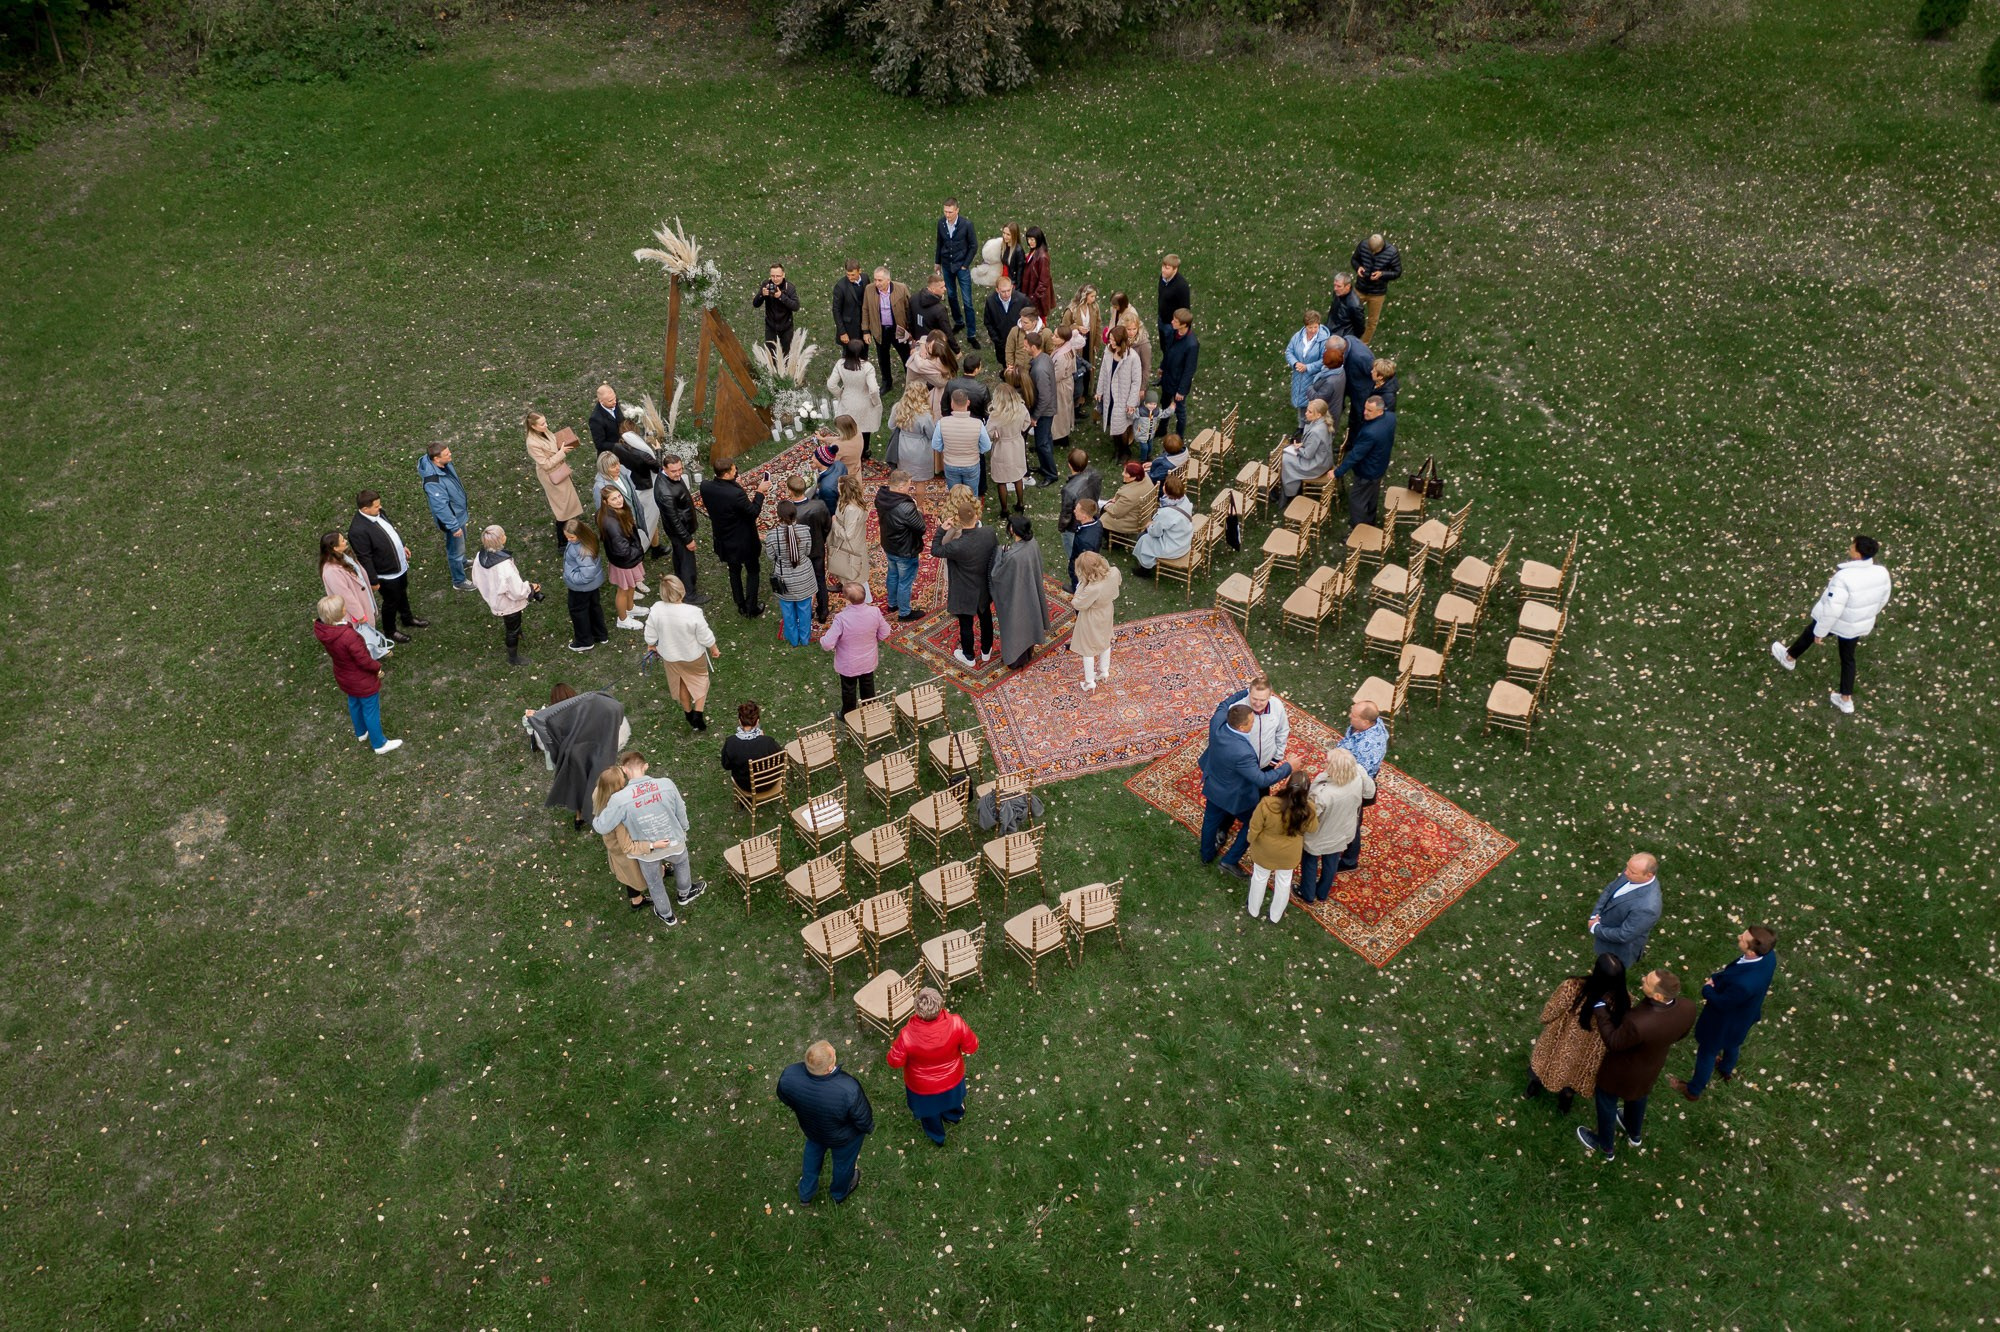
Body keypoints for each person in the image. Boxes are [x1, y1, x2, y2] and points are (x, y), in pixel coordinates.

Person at [1578, 969, 1695, 1160]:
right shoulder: (1687, 1007)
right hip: (1651, 1066)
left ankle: (1605, 1146)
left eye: (1647, 981)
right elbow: (1682, 1035)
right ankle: (1634, 1133)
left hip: (1621, 1071)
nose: (1642, 979)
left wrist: (1600, 1009)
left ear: (1658, 995)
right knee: (1638, 1096)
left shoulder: (1638, 1022)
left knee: (1607, 1102)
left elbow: (1614, 1041)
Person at [1770, 534, 1891, 714]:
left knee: (1810, 633)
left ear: (1858, 555)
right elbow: (1883, 599)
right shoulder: (1882, 573)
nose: (1850, 547)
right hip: (1856, 625)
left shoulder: (1844, 578)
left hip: (1838, 622)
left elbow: (1832, 609)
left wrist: (1821, 631)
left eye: (1852, 546)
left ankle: (1789, 658)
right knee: (1848, 658)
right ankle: (1846, 700)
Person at [589, 751, 707, 928]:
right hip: (673, 841)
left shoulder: (619, 799)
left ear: (624, 769)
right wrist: (683, 829)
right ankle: (685, 894)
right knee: (681, 863)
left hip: (647, 853)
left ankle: (666, 914)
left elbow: (602, 826)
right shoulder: (666, 784)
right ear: (645, 766)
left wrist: (597, 818)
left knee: (654, 882)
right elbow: (680, 809)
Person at [1669, 927, 1779, 1101]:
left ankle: (1693, 1090)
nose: (1739, 936)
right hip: (1744, 1017)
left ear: (1751, 951)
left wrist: (1707, 989)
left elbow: (1721, 1003)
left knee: (1707, 1052)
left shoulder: (1744, 984)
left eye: (1742, 938)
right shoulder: (1768, 957)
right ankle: (1726, 1069)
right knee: (1733, 1043)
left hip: (1723, 1022)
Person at [1525, 952, 1630, 1116]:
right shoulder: (1623, 1002)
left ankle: (1534, 1087)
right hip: (1590, 1053)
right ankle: (1564, 1103)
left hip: (1560, 1042)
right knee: (1574, 1077)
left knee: (1545, 1063)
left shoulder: (1573, 988)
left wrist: (1545, 1019)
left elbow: (1551, 1011)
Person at [1198, 701, 1292, 875]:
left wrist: (1246, 693)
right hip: (1234, 796)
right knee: (1255, 822)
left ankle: (1206, 855)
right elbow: (1262, 780)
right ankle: (1230, 860)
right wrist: (1289, 767)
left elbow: (1223, 704)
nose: (1254, 723)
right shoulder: (1243, 752)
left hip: (1213, 787)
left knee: (1209, 822)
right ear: (1242, 727)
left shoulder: (1217, 723)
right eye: (1251, 721)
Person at [777, 1040, 874, 1204]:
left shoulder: (789, 1076)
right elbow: (863, 1119)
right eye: (834, 1054)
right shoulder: (848, 1088)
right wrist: (867, 1128)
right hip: (843, 1138)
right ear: (829, 1068)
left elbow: (784, 1097)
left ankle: (805, 1193)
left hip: (813, 1130)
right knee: (843, 1165)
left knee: (812, 1155)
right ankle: (839, 1193)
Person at [523, 683, 627, 830]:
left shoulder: (556, 719)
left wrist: (536, 717)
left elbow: (549, 741)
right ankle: (598, 811)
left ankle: (579, 816)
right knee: (596, 784)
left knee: (578, 787)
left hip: (573, 758)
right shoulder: (587, 708)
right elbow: (614, 709)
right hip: (594, 752)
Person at [885, 987, 979, 1146]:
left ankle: (937, 1136)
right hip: (952, 1078)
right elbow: (972, 1046)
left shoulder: (907, 1035)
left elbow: (894, 1062)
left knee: (929, 1114)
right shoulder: (956, 1023)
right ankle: (954, 1116)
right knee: (954, 1100)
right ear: (940, 1006)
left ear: (917, 1009)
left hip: (922, 1087)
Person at [314, 594, 400, 754]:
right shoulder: (348, 636)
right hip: (361, 678)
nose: (345, 608)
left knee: (354, 702)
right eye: (343, 607)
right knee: (370, 709)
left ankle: (361, 732)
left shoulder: (325, 632)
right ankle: (379, 744)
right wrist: (377, 667)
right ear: (338, 613)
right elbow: (363, 660)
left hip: (344, 675)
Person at [1298, 746, 1373, 905]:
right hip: (1344, 829)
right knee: (1331, 861)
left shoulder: (1323, 794)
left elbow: (1310, 816)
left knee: (1310, 861)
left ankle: (1308, 894)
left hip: (1321, 833)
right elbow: (1369, 793)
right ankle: (1323, 892)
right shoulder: (1358, 775)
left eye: (1328, 762)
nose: (1324, 762)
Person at [644, 574, 720, 730]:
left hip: (670, 656)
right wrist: (713, 648)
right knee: (700, 681)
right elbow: (704, 635)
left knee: (681, 683)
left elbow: (650, 632)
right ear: (682, 591)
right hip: (693, 655)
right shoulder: (692, 612)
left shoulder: (656, 609)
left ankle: (687, 712)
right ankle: (698, 714)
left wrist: (651, 645)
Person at [932, 490, 998, 669]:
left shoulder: (956, 546)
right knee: (985, 618)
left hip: (964, 590)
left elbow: (935, 550)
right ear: (976, 516)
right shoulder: (989, 533)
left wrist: (941, 529)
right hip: (983, 586)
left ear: (958, 521)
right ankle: (986, 651)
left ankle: (969, 655)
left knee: (966, 624)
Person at [348, 489, 424, 641]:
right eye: (376, 506)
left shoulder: (378, 513)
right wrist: (373, 580)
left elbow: (390, 531)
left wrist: (401, 546)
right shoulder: (357, 530)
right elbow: (365, 558)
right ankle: (390, 630)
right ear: (365, 509)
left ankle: (407, 618)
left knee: (402, 592)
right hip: (386, 574)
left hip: (399, 566)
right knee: (391, 601)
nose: (380, 508)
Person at [699, 460, 769, 619]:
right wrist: (760, 492)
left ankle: (741, 604)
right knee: (753, 571)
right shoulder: (735, 494)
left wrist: (734, 484)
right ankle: (751, 608)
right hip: (744, 541)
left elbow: (723, 494)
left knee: (734, 570)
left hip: (724, 538)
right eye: (733, 470)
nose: (736, 470)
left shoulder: (705, 486)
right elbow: (752, 512)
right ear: (726, 474)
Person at [1246, 773, 1318, 923]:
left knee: (1259, 878)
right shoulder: (1309, 809)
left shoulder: (1268, 804)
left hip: (1265, 850)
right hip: (1289, 853)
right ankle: (1275, 916)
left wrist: (1250, 840)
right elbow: (1312, 828)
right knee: (1284, 883)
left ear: (1287, 784)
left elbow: (1255, 827)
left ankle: (1253, 910)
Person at [468, 524, 541, 667]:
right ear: (501, 539)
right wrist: (532, 587)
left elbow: (476, 578)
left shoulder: (480, 556)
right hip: (508, 605)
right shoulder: (504, 566)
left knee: (512, 624)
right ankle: (513, 658)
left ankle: (518, 632)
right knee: (511, 629)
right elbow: (518, 591)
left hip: (494, 598)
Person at [820, 580, 893, 715]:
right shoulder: (874, 612)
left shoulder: (841, 618)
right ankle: (870, 710)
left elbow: (827, 643)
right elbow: (885, 632)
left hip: (849, 663)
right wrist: (873, 639)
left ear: (847, 599)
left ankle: (848, 714)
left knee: (848, 689)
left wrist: (824, 640)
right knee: (868, 685)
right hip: (868, 659)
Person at [990, 513, 1050, 670]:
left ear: (1012, 529)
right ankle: (1028, 651)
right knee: (1028, 620)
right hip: (1029, 590)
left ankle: (1015, 660)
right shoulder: (1032, 543)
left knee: (1016, 623)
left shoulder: (1013, 557)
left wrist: (998, 553)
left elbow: (998, 576)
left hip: (1017, 596)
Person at [1335, 700, 1388, 871]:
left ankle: (1349, 860)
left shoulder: (1369, 747)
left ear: (1366, 722)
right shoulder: (1372, 723)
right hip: (1351, 774)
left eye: (1354, 715)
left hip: (1353, 785)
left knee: (1351, 821)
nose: (1350, 715)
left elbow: (1356, 777)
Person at [591, 764, 652, 911]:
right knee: (631, 874)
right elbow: (627, 846)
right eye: (621, 780)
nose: (624, 781)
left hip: (613, 845)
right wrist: (649, 846)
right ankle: (636, 900)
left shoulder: (598, 793)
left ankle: (660, 871)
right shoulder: (618, 817)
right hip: (623, 849)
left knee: (627, 871)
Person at [1587, 853, 1663, 970]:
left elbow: (1624, 935)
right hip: (1605, 928)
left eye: (1632, 872)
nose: (1626, 872)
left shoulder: (1648, 907)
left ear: (1648, 875)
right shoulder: (1632, 872)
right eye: (1627, 867)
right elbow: (1609, 890)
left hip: (1618, 950)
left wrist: (1595, 928)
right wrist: (1595, 915)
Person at [414, 442, 474, 591]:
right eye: (447, 454)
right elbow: (440, 507)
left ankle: (463, 562)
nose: (450, 454)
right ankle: (459, 581)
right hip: (453, 520)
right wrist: (454, 526)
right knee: (455, 550)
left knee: (461, 543)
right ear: (436, 459)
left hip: (458, 515)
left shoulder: (442, 465)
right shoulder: (433, 482)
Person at [1332, 395, 1396, 530]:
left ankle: (1358, 531)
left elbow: (1355, 455)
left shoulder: (1370, 433)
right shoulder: (1390, 418)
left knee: (1357, 502)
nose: (1365, 412)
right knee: (1372, 496)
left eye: (1369, 411)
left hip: (1367, 472)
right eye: (1365, 408)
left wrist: (1337, 472)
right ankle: (1370, 521)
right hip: (1379, 466)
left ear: (1380, 411)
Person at [524, 410, 582, 555]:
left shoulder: (544, 432)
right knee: (562, 508)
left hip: (559, 470)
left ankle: (572, 530)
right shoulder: (532, 443)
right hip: (551, 475)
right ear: (533, 426)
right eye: (542, 424)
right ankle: (562, 543)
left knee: (568, 502)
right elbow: (546, 464)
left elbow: (553, 444)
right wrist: (561, 452)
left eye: (545, 422)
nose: (546, 425)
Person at [654, 454, 708, 606]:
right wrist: (688, 539)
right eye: (674, 471)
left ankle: (679, 577)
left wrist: (658, 451)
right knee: (687, 561)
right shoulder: (665, 493)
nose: (678, 474)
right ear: (665, 469)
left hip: (678, 529)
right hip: (680, 531)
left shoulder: (667, 476)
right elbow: (674, 520)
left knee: (679, 555)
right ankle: (689, 594)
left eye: (680, 469)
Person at [875, 469, 927, 622]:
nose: (909, 489)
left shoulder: (881, 496)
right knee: (905, 581)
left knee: (892, 574)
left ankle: (892, 603)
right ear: (900, 487)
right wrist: (918, 510)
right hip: (905, 549)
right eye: (908, 486)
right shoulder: (905, 507)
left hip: (889, 544)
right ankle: (904, 613)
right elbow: (921, 527)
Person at [765, 498, 819, 648]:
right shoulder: (805, 530)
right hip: (804, 576)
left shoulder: (771, 535)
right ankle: (805, 638)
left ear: (778, 516)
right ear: (796, 514)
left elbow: (770, 556)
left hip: (784, 578)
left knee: (787, 611)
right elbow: (808, 551)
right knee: (805, 609)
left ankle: (793, 639)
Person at [596, 484, 646, 629]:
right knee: (623, 590)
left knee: (630, 586)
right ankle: (623, 619)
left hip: (628, 558)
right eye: (614, 499)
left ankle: (630, 608)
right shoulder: (612, 523)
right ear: (606, 502)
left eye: (619, 496)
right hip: (624, 561)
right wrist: (638, 551)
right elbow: (622, 549)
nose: (619, 500)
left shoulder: (614, 512)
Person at [931, 388, 994, 497]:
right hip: (971, 464)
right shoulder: (978, 424)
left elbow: (936, 445)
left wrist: (946, 448)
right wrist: (975, 450)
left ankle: (956, 512)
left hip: (951, 464)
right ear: (968, 403)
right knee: (972, 495)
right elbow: (986, 446)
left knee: (954, 496)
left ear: (952, 404)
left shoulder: (942, 423)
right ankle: (971, 513)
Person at [825, 340, 883, 459]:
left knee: (848, 430)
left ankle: (848, 452)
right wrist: (876, 402)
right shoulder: (867, 367)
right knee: (864, 429)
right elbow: (873, 389)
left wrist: (840, 394)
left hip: (848, 401)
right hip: (864, 403)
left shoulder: (841, 364)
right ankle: (863, 452)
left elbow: (831, 384)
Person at [1131, 472, 1194, 577]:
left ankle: (1145, 569)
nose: (1163, 486)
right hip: (1184, 541)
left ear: (1166, 490)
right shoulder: (1184, 500)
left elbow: (1155, 532)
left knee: (1144, 539)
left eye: (1164, 485)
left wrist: (1149, 525)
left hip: (1173, 547)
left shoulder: (1166, 513)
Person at [319, 531, 379, 641]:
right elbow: (345, 596)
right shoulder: (332, 572)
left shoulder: (344, 557)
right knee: (362, 638)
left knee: (368, 634)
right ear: (335, 548)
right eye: (342, 540)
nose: (345, 541)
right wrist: (360, 615)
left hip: (363, 602)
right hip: (356, 613)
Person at [561, 519, 610, 652]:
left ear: (579, 534)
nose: (568, 539)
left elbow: (586, 574)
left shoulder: (583, 550)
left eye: (571, 537)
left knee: (578, 611)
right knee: (594, 608)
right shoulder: (587, 540)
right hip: (592, 586)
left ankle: (584, 641)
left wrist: (570, 576)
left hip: (580, 587)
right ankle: (600, 634)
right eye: (566, 537)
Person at [934, 198, 978, 343]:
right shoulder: (941, 223)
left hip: (961, 266)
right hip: (947, 265)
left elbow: (973, 245)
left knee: (967, 301)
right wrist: (937, 262)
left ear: (957, 210)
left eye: (950, 212)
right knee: (951, 295)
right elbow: (939, 243)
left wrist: (965, 264)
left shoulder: (966, 225)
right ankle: (959, 321)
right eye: (945, 212)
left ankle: (971, 333)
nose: (947, 215)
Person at [987, 373, 1032, 514]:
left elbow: (988, 432)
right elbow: (1027, 423)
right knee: (1017, 476)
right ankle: (1020, 503)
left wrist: (995, 435)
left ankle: (1004, 509)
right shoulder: (1021, 409)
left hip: (1002, 447)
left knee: (1001, 480)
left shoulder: (995, 415)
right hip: (1017, 444)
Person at [862, 265, 913, 389]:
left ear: (888, 280)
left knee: (906, 356)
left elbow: (909, 309)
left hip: (899, 329)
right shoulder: (869, 289)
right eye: (875, 280)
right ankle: (887, 382)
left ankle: (910, 381)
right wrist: (866, 330)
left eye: (880, 280)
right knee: (883, 358)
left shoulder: (901, 288)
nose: (876, 283)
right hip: (880, 330)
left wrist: (911, 330)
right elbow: (865, 309)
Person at [1096, 327, 1143, 458]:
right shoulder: (1108, 352)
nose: (1110, 342)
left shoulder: (1132, 357)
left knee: (1121, 426)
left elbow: (1136, 382)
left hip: (1123, 398)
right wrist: (1099, 391)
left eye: (1113, 340)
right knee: (1112, 421)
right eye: (1110, 339)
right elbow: (1103, 373)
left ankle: (1125, 450)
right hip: (1109, 395)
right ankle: (1117, 450)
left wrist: (1131, 403)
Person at [720, 700, 785, 793]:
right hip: (770, 782)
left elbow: (726, 765)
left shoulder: (731, 743)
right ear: (757, 721)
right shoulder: (768, 742)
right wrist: (763, 739)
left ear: (740, 721)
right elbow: (780, 759)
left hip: (746, 786)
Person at [1055, 447, 1102, 575]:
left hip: (1074, 527)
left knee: (1076, 558)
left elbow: (1066, 514)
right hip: (1092, 515)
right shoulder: (1095, 474)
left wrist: (1062, 528)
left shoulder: (1069, 490)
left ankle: (1079, 580)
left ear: (1070, 465)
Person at [1351, 232, 1403, 343]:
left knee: (1372, 321)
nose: (1372, 253)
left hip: (1377, 293)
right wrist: (1358, 267)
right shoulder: (1363, 245)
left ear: (1382, 246)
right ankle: (1349, 338)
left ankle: (1363, 344)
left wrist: (1382, 274)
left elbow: (1397, 272)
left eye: (1375, 251)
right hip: (1360, 288)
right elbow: (1354, 259)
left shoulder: (1392, 253)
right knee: (1350, 313)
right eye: (1370, 251)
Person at [826, 471, 870, 598]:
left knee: (852, 570)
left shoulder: (852, 509)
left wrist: (835, 523)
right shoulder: (845, 500)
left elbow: (848, 535)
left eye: (839, 487)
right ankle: (842, 584)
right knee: (843, 567)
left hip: (849, 546)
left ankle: (856, 595)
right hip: (842, 542)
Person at [1281, 398, 1335, 501]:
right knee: (1287, 456)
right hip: (1324, 460)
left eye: (1309, 412)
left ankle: (1290, 493)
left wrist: (1297, 448)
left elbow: (1307, 455)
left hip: (1317, 465)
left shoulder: (1316, 431)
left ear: (1318, 415)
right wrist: (1303, 444)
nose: (1306, 413)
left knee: (1285, 459)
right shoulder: (1322, 422)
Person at [1285, 312, 1331, 429]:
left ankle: (1308, 429)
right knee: (1301, 405)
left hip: (1313, 379)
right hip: (1298, 377)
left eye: (1316, 327)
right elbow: (1289, 351)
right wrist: (1295, 363)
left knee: (1311, 405)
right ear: (1305, 326)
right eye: (1310, 327)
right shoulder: (1298, 336)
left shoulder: (1324, 340)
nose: (1313, 330)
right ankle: (1301, 427)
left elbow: (1324, 360)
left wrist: (1307, 367)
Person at [1157, 308, 1198, 438]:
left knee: (1180, 412)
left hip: (1178, 383)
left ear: (1184, 324)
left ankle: (1179, 438)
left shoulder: (1192, 344)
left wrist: (1181, 390)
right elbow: (1168, 353)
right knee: (1164, 404)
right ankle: (1162, 428)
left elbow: (1189, 369)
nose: (1172, 322)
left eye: (1175, 321)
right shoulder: (1173, 333)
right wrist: (1162, 367)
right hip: (1168, 378)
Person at [1027, 332, 1060, 486]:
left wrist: (1035, 417)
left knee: (1042, 443)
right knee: (1046, 439)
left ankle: (1051, 474)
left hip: (1044, 411)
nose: (1024, 348)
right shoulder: (1045, 357)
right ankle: (1045, 467)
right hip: (1049, 407)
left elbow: (1044, 397)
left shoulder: (1039, 369)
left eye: (1026, 346)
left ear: (1033, 347)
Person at [902, 334, 949, 438]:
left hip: (919, 391)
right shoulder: (921, 363)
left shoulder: (923, 348)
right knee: (919, 420)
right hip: (916, 394)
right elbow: (941, 382)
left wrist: (922, 345)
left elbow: (924, 337)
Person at [1099, 461, 1156, 544]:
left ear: (1134, 477)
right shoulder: (1145, 477)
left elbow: (1116, 512)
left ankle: (1114, 542)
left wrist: (1107, 505)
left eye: (1126, 472)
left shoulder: (1128, 496)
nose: (1122, 474)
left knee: (1103, 519)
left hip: (1133, 521)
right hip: (1145, 513)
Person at [753, 262, 800, 352]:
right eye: (772, 276)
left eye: (778, 276)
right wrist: (761, 295)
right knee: (771, 354)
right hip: (771, 327)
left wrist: (781, 296)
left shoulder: (789, 288)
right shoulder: (766, 285)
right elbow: (755, 304)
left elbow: (796, 306)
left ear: (783, 275)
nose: (775, 279)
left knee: (786, 354)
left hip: (786, 327)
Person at [1304, 341, 1349, 434]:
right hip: (1335, 406)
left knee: (1322, 436)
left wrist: (1309, 387)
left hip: (1327, 413)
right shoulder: (1340, 370)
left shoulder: (1330, 382)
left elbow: (1317, 398)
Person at [911, 268, 958, 351]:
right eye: (942, 287)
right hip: (933, 345)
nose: (945, 289)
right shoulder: (939, 310)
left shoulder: (914, 298)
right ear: (932, 289)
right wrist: (956, 350)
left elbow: (909, 320)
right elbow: (947, 331)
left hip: (918, 342)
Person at [1067, 497, 1105, 592]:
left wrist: (1074, 568)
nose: (1074, 511)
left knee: (1079, 579)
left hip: (1080, 565)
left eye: (1077, 510)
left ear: (1084, 516)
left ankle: (1077, 591)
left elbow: (1083, 562)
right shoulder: (1097, 523)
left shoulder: (1084, 541)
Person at [982, 273, 1024, 358]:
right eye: (1003, 291)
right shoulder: (991, 302)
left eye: (1009, 290)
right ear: (997, 290)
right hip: (1001, 343)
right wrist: (996, 339)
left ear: (1012, 287)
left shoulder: (1021, 299)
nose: (1007, 294)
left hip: (1019, 341)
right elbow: (988, 322)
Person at [1021, 226, 1055, 330]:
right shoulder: (1034, 251)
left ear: (1038, 239)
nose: (1029, 242)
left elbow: (1043, 283)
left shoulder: (1042, 257)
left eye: (1032, 239)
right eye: (1028, 239)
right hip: (1031, 294)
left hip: (1038, 299)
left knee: (1039, 324)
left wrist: (1033, 298)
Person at [831, 259, 868, 352]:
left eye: (853, 275)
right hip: (849, 329)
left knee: (864, 353)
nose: (850, 278)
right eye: (848, 275)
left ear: (859, 271)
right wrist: (842, 332)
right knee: (850, 357)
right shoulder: (840, 287)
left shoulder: (865, 278)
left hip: (863, 326)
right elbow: (836, 310)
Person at [1157, 254, 1191, 356]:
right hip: (1161, 319)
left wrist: (1181, 329)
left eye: (1167, 268)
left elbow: (1185, 310)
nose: (1163, 270)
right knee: (1163, 346)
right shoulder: (1163, 278)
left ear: (1175, 269)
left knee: (1171, 350)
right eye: (1163, 266)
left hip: (1171, 325)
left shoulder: (1181, 286)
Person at [1117, 304, 1154, 388]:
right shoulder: (1120, 339)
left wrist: (1142, 387)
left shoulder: (1144, 344)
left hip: (1135, 382)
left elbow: (1146, 367)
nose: (1132, 332)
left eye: (1134, 329)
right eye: (1129, 329)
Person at [1325, 270, 1366, 342]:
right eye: (1334, 285)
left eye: (1339, 286)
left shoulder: (1355, 305)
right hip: (1330, 330)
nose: (1335, 288)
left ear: (1348, 286)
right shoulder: (1337, 293)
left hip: (1341, 337)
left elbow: (1360, 328)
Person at [1129, 391, 1168, 464]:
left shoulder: (1156, 411)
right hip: (1142, 434)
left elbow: (1164, 414)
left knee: (1150, 447)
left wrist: (1171, 410)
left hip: (1151, 434)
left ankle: (1148, 456)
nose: (1152, 406)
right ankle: (1143, 460)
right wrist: (1130, 413)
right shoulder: (1140, 411)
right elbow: (1132, 416)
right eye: (1150, 404)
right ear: (1145, 402)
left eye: (1154, 404)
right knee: (1145, 448)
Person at [996, 222, 1027, 292]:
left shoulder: (1018, 250)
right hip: (1004, 280)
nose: (1005, 236)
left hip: (1012, 284)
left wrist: (1017, 291)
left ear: (1014, 235)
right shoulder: (1004, 246)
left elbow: (1020, 273)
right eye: (1004, 233)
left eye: (1008, 234)